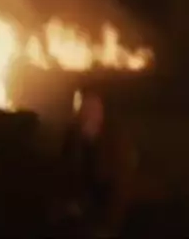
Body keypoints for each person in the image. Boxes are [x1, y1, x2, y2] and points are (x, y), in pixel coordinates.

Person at [53, 89, 140, 237]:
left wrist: (107, 226)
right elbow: (65, 174)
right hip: (81, 209)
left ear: (100, 114)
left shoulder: (115, 142)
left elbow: (120, 188)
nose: (87, 115)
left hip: (105, 211)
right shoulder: (73, 138)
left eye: (93, 110)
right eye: (84, 110)